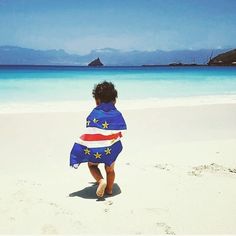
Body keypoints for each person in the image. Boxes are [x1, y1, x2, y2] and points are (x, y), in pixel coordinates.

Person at [70, 81, 127, 198]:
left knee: (92, 165)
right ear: (114, 100)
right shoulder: (117, 114)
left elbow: (90, 132)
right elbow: (121, 132)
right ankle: (110, 190)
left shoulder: (94, 114)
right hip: (110, 150)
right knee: (110, 170)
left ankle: (101, 181)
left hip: (96, 151)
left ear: (97, 100)